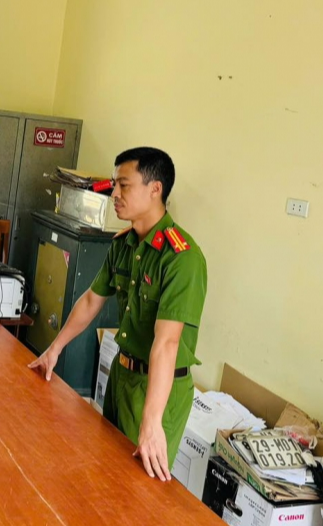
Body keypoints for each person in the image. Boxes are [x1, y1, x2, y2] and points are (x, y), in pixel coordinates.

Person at [28, 147, 207, 482]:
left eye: (124, 185)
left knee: (137, 487)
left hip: (158, 389)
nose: (114, 194)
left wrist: (151, 422)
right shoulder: (124, 244)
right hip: (121, 376)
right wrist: (55, 349)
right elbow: (90, 301)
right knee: (105, 473)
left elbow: (167, 343)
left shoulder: (181, 258)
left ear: (155, 189)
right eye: (114, 185)